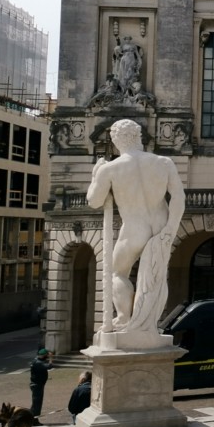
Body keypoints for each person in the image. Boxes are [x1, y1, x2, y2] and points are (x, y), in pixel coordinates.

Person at [87, 118, 186, 339]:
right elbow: (178, 196)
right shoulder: (164, 162)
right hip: (161, 226)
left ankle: (124, 317)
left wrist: (96, 175)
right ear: (139, 136)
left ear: (115, 141)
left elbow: (94, 201)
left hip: (134, 229)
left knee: (117, 272)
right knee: (157, 277)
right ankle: (148, 324)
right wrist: (171, 227)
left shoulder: (110, 169)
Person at [29, 348, 52, 417]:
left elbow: (39, 372)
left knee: (36, 403)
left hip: (37, 385)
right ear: (43, 355)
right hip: (37, 386)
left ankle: (34, 419)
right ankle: (34, 420)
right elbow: (50, 366)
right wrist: (51, 358)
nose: (47, 357)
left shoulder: (36, 361)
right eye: (46, 356)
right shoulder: (38, 363)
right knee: (37, 404)